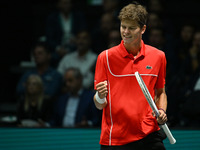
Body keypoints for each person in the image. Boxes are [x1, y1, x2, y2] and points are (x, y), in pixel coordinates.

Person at [93, 2, 167, 150]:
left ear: (143, 29)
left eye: (131, 28)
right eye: (123, 26)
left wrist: (162, 110)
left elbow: (161, 92)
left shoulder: (158, 56)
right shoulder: (105, 57)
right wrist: (100, 96)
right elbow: (99, 104)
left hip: (149, 135)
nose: (126, 31)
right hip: (116, 139)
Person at [45, 0, 87, 66]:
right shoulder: (52, 18)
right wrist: (58, 48)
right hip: (58, 48)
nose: (66, 5)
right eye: (64, 3)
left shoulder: (78, 16)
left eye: (68, 3)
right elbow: (49, 38)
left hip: (75, 47)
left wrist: (77, 40)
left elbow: (83, 32)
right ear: (59, 4)